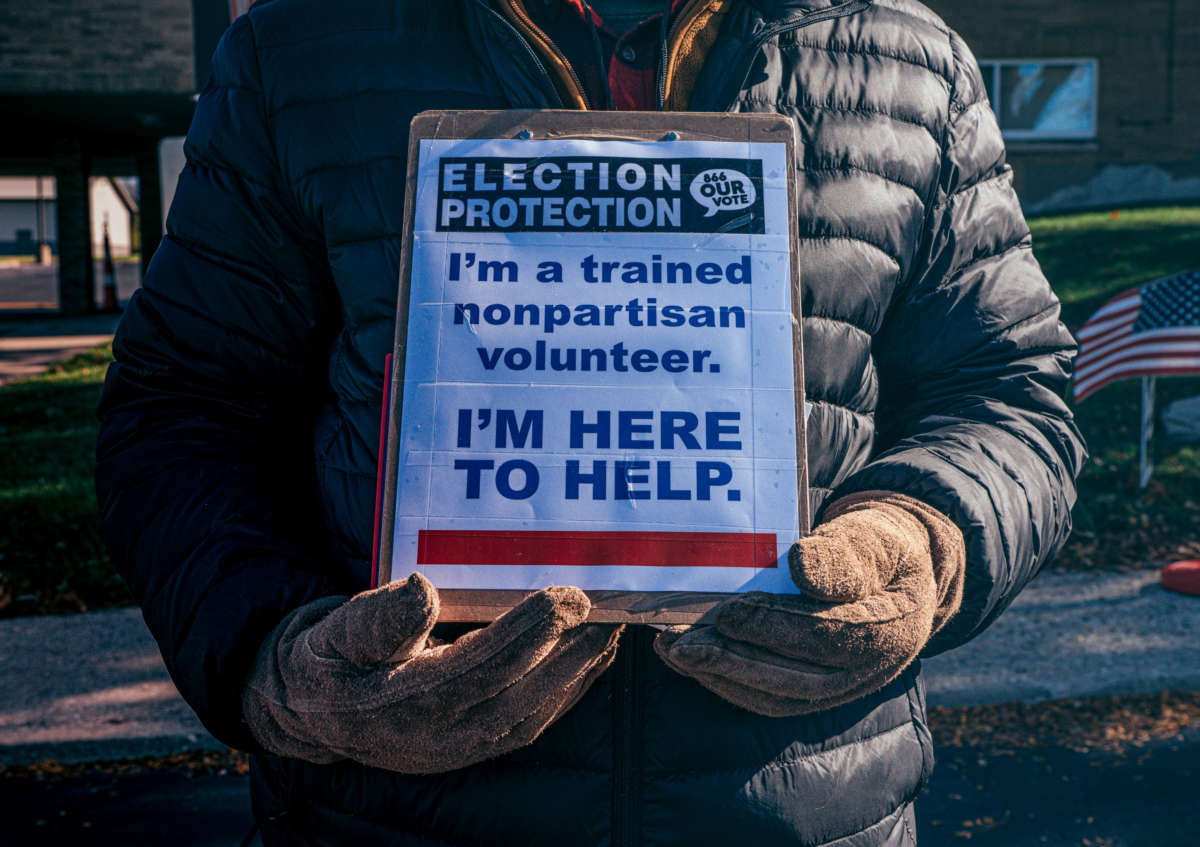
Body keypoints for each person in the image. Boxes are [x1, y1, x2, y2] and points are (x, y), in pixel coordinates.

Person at [96, 0, 1086, 844]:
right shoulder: (303, 44)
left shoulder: (906, 57)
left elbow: (1006, 386)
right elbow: (186, 406)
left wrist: (925, 537)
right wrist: (280, 662)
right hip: (390, 817)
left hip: (810, 808)